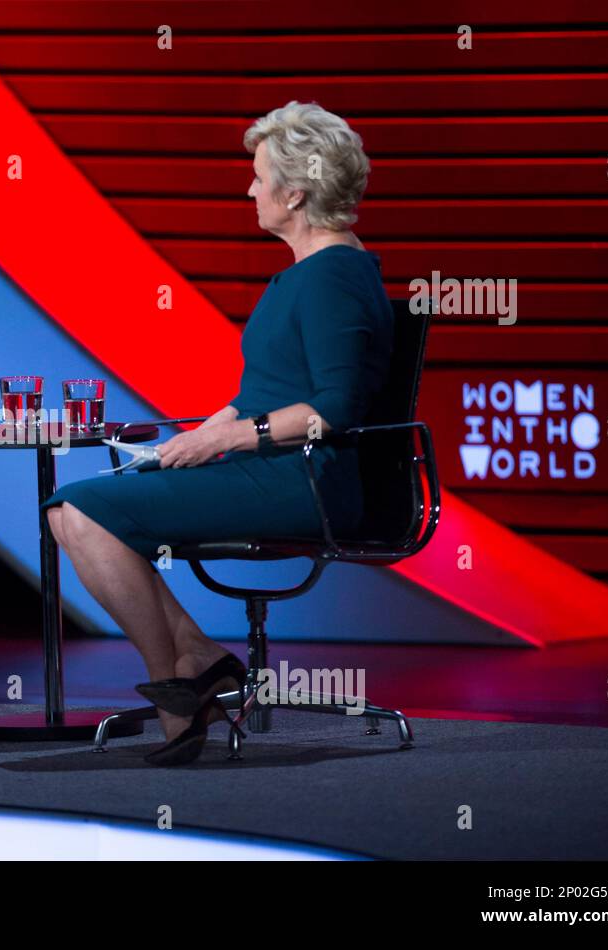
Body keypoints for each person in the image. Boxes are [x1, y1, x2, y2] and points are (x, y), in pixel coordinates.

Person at [43, 101, 393, 766]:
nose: (250, 190)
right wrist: (206, 431)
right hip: (268, 460)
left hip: (304, 478)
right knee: (70, 513)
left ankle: (185, 684)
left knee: (82, 513)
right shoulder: (305, 272)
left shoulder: (333, 276)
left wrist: (221, 442)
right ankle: (197, 661)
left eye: (260, 178)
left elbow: (334, 408)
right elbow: (265, 392)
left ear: (295, 191)